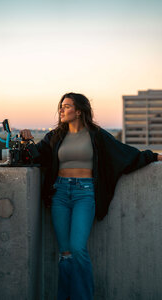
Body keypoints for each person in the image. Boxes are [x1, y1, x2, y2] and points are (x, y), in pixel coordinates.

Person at [20, 92, 162, 300]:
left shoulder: (96, 135)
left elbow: (125, 154)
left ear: (79, 111)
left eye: (67, 106)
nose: (61, 109)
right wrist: (27, 141)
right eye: (61, 106)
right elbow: (37, 157)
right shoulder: (55, 136)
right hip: (59, 194)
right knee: (65, 253)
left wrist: (155, 156)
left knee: (78, 249)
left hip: (84, 194)